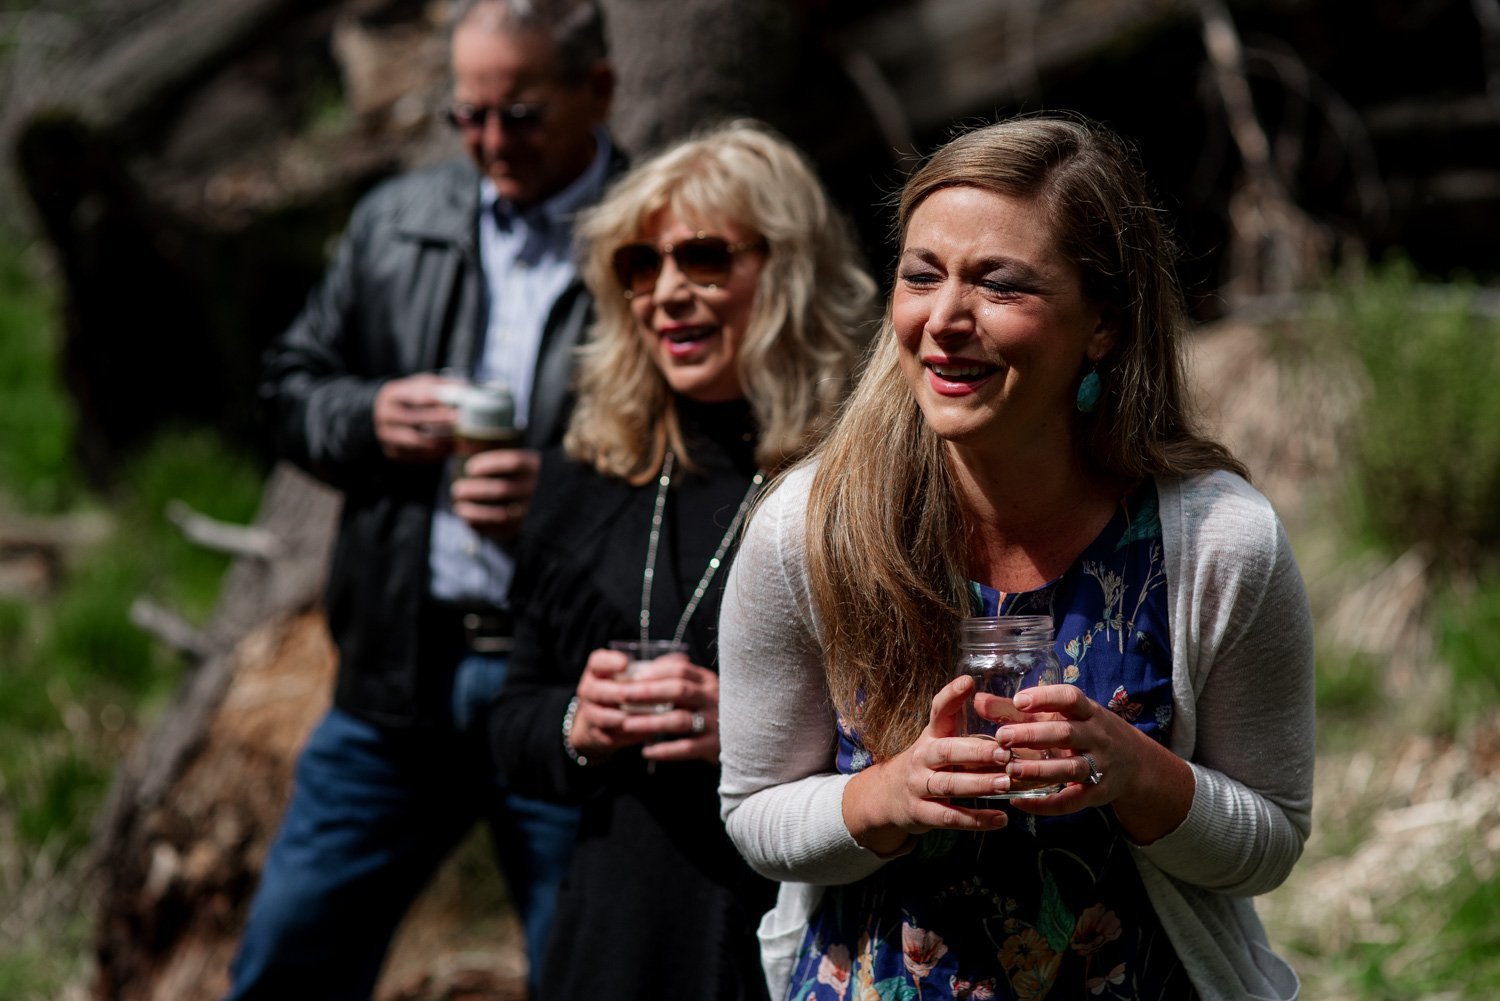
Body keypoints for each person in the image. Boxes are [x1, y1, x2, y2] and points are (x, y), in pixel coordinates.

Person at [718, 115, 1315, 1001]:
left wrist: (1137, 773)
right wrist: (886, 794)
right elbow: (754, 812)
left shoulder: (1219, 543)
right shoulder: (812, 527)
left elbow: (1272, 839)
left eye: (999, 285)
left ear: (1103, 324)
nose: (944, 319)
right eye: (922, 275)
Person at [233, 1, 620, 997]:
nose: (491, 142)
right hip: (397, 674)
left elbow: (741, 457)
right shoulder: (398, 219)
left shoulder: (664, 237)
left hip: (572, 683)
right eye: (469, 116)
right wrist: (367, 419)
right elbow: (289, 387)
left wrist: (566, 502)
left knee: (588, 968)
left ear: (600, 92)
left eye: (521, 115)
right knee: (288, 957)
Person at [488, 120, 875, 1000]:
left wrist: (753, 736)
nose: (665, 293)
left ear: (787, 269)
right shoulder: (587, 474)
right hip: (617, 924)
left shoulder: (864, 480)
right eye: (639, 265)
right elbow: (510, 717)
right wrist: (579, 722)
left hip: (795, 924)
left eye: (702, 258)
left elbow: (911, 728)